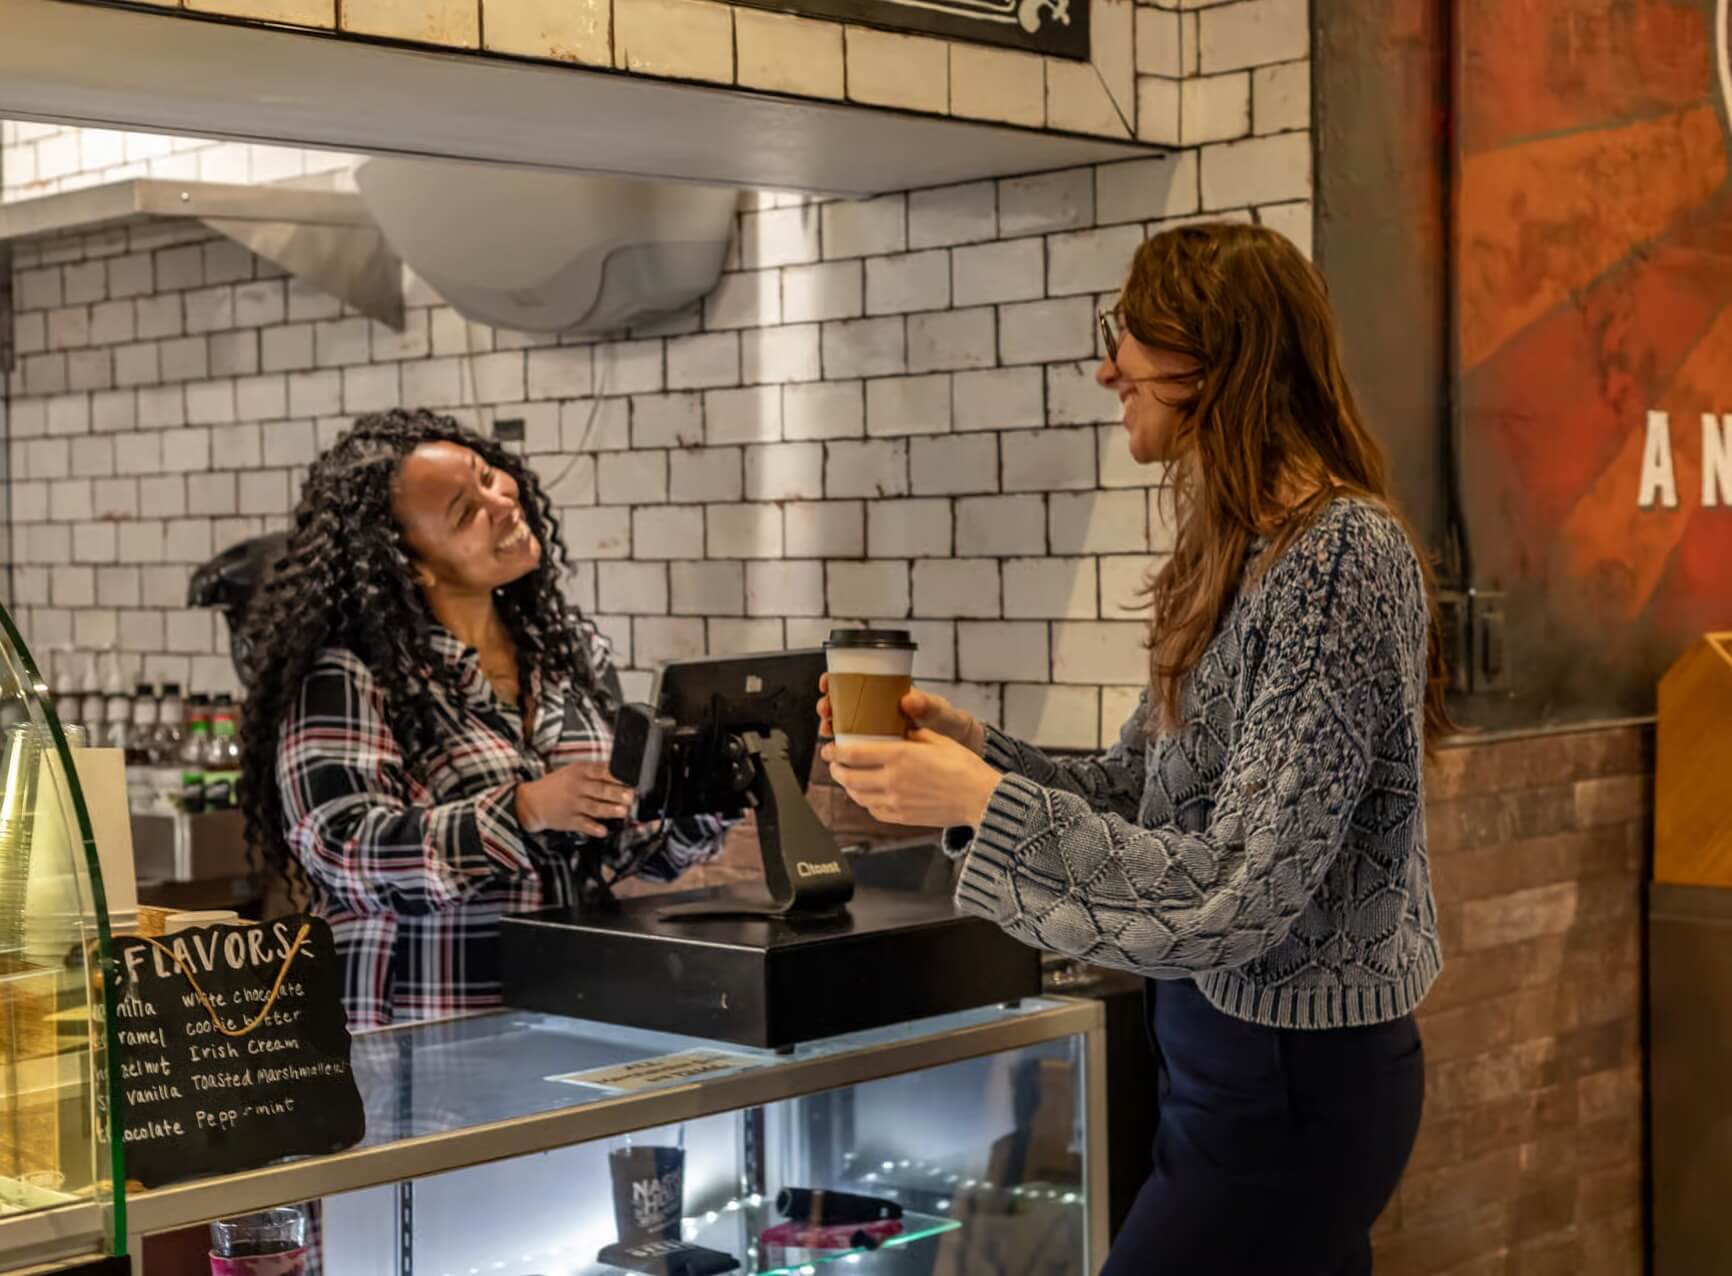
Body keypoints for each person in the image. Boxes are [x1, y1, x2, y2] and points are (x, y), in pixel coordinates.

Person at [819, 222, 1449, 1275]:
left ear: (1220, 361)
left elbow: (1241, 889)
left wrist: (979, 800)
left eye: (1132, 336)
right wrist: (977, 753)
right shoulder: (1241, 547)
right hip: (1229, 1072)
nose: (1108, 367)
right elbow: (1137, 791)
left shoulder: (1337, 556)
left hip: (1290, 1089)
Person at [240, 408, 724, 1028]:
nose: (500, 501)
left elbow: (627, 854)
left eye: (488, 475)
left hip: (571, 1021)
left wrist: (710, 789)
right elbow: (342, 850)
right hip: (421, 1039)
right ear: (412, 563)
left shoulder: (566, 654)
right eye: (466, 512)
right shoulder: (348, 675)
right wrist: (522, 811)